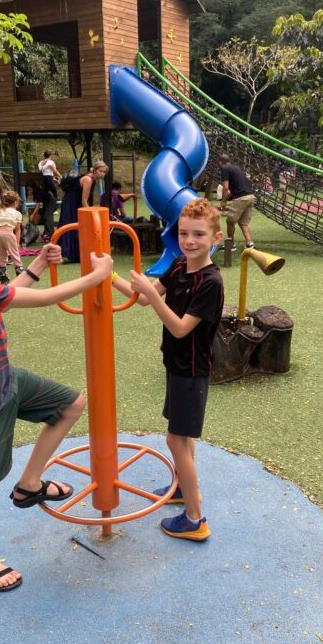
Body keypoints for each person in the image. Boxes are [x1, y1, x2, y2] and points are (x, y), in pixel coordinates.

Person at [0, 188, 113, 592]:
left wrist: (36, 265)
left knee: (70, 404)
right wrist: (95, 277)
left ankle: (30, 483)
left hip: (3, 376)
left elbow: (7, 299)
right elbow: (44, 299)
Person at [112, 198, 224, 541]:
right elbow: (144, 297)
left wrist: (151, 292)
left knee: (176, 439)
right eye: (184, 233)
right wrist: (110, 276)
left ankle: (195, 518)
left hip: (192, 371)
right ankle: (181, 487)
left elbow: (178, 327)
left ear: (216, 238)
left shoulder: (210, 282)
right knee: (182, 437)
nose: (189, 241)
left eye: (198, 235)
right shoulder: (178, 266)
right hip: (175, 366)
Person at [58, 160, 108, 262]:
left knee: (77, 226)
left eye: (104, 172)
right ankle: (67, 254)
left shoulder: (94, 180)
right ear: (94, 170)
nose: (102, 174)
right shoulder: (88, 180)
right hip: (70, 203)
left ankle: (75, 254)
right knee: (71, 226)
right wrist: (91, 214)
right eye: (100, 171)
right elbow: (84, 200)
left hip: (76, 203)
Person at [218, 153, 255, 250]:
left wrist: (223, 201)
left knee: (230, 221)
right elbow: (235, 189)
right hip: (250, 196)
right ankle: (249, 243)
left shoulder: (225, 169)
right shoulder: (237, 168)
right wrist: (228, 197)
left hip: (241, 198)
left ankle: (231, 245)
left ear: (220, 162)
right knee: (243, 223)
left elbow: (225, 188)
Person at [0, 190, 23, 284]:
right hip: (8, 234)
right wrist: (17, 242)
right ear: (15, 202)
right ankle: (21, 276)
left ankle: (3, 278)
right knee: (15, 256)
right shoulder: (17, 213)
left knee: (2, 257)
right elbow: (18, 229)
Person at [38, 150, 63, 242]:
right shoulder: (51, 162)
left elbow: (42, 170)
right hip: (49, 180)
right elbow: (54, 170)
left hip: (44, 180)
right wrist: (61, 177)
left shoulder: (41, 162)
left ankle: (51, 207)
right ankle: (54, 207)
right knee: (55, 194)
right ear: (50, 156)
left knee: (47, 196)